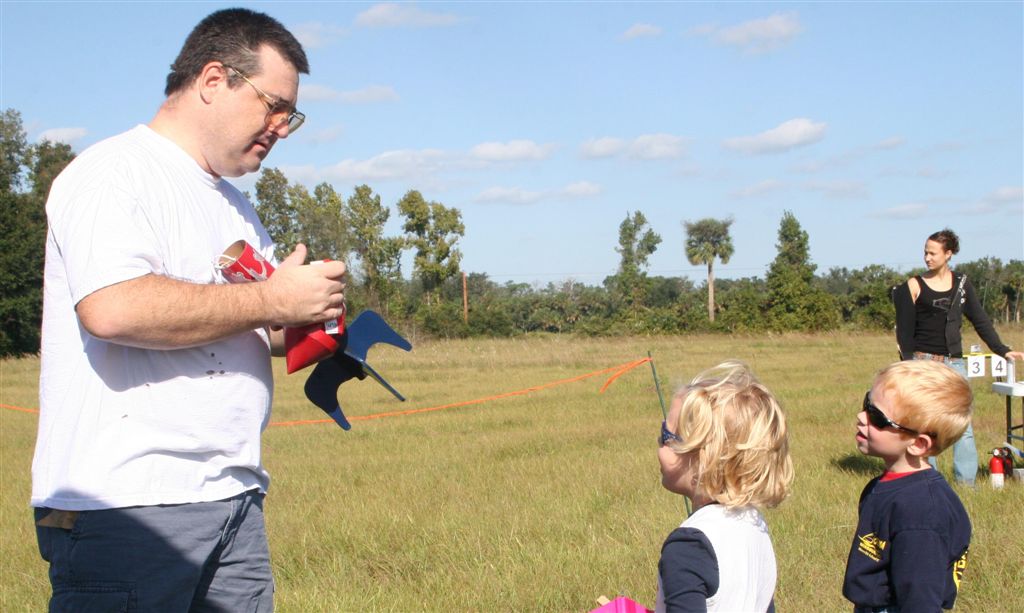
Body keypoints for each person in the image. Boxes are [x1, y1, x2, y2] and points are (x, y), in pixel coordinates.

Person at [30, 8, 346, 611]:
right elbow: (113, 308)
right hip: (129, 506)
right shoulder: (111, 173)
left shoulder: (232, 206)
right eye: (273, 106)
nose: (281, 128)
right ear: (213, 80)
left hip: (232, 497)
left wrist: (314, 315)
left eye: (291, 115)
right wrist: (272, 298)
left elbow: (258, 327)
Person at [655, 360, 793, 613]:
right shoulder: (754, 524)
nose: (659, 446)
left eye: (666, 436)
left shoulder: (687, 547)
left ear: (704, 457)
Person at [892, 228, 1023, 485]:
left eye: (933, 253)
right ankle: (928, 482)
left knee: (963, 428)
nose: (927, 258)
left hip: (954, 364)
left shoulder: (962, 284)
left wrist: (1001, 349)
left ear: (948, 254)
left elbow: (980, 320)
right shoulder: (913, 285)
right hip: (923, 363)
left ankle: (967, 486)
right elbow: (904, 333)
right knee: (924, 427)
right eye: (925, 252)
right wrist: (908, 368)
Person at [843, 360, 972, 612]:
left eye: (877, 417)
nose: (861, 417)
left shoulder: (922, 513)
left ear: (918, 444)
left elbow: (921, 599)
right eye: (867, 403)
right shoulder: (882, 486)